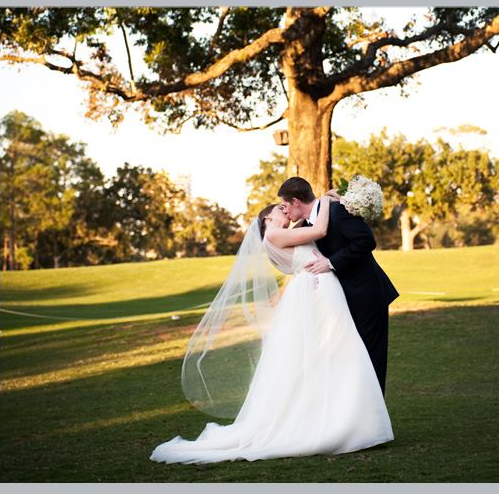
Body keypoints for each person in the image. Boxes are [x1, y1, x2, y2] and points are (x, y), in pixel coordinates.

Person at [150, 192, 393, 465]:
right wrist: (324, 200)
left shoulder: (288, 233)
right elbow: (321, 229)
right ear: (268, 217)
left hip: (320, 292)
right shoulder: (273, 236)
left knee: (335, 356)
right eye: (280, 209)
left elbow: (308, 236)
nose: (286, 213)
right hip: (318, 292)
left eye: (286, 206)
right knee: (337, 353)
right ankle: (345, 422)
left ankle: (351, 418)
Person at [278, 177, 399, 395]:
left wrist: (331, 263)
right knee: (352, 362)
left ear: (296, 201)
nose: (285, 212)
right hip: (341, 303)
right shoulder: (306, 226)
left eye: (285, 206)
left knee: (371, 360)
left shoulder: (337, 211)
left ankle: (374, 422)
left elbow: (366, 241)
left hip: (368, 296)